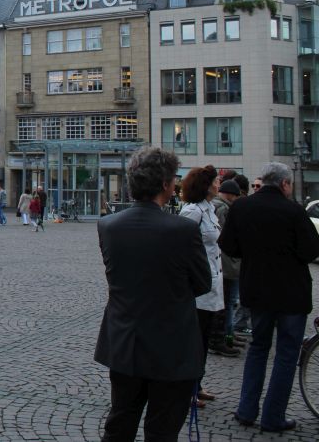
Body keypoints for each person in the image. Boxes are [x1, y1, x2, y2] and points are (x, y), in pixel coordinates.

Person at [95, 146, 211, 442]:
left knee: (120, 422)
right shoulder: (182, 230)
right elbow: (202, 283)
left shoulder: (108, 226)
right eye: (174, 179)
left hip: (125, 341)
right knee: (162, 431)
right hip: (171, 346)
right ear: (165, 184)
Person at [219, 162, 319, 433]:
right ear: (285, 184)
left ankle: (246, 409)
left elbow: (227, 245)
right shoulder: (294, 211)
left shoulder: (241, 207)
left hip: (257, 289)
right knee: (286, 354)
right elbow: (311, 250)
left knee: (258, 349)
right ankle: (273, 416)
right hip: (291, 295)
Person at [177, 165, 224, 408]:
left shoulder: (210, 210)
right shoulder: (192, 212)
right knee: (195, 340)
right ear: (206, 185)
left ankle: (197, 383)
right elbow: (179, 246)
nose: (219, 184)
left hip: (211, 283)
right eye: (217, 181)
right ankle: (187, 388)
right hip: (197, 287)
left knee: (203, 339)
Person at [211, 179, 244, 356]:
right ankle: (225, 336)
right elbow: (227, 236)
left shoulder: (214, 206)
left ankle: (227, 334)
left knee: (226, 302)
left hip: (221, 261)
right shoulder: (223, 209)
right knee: (228, 302)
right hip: (227, 262)